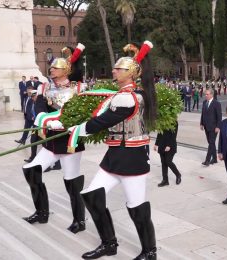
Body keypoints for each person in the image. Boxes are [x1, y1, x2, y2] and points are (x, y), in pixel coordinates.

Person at [69, 41, 158, 259]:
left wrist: (78, 129)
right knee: (91, 196)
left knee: (137, 209)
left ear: (129, 73)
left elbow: (104, 120)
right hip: (115, 156)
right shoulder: (122, 94)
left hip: (132, 158)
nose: (113, 71)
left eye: (118, 68)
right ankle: (109, 243)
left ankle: (150, 251)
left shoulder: (129, 97)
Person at [22, 43, 86, 235]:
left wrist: (66, 122)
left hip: (70, 141)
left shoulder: (79, 87)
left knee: (71, 182)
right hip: (52, 140)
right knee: (31, 170)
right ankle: (42, 212)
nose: (51, 69)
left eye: (55, 67)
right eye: (51, 67)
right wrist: (45, 120)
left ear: (66, 69)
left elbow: (84, 112)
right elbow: (40, 107)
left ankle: (79, 219)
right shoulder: (45, 86)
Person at [155, 121, 182, 187]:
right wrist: (156, 144)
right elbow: (159, 133)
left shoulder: (174, 122)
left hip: (170, 145)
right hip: (162, 144)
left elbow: (174, 135)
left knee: (168, 161)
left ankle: (178, 174)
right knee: (163, 163)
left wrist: (169, 145)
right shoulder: (162, 121)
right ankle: (165, 180)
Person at [200, 88, 222, 166]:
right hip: (206, 126)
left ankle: (207, 160)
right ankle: (215, 159)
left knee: (211, 142)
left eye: (207, 94)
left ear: (211, 95)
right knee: (210, 143)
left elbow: (219, 116)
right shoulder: (204, 102)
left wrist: (218, 126)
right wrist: (201, 123)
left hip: (213, 127)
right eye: (205, 94)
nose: (205, 95)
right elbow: (203, 114)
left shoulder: (217, 103)